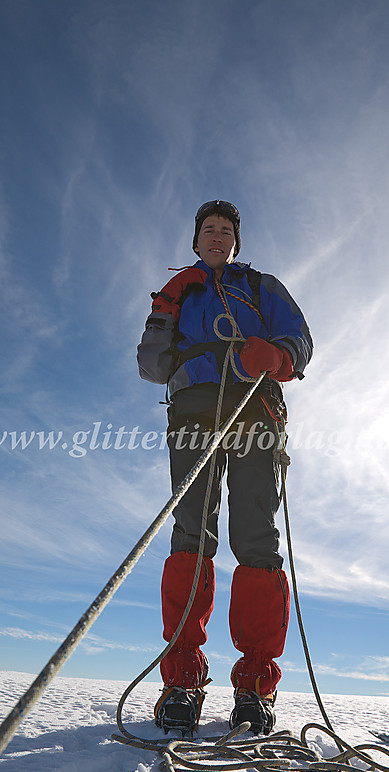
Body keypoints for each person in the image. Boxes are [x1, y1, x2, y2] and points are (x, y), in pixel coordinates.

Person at [137, 200, 313, 735]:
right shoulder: (178, 293)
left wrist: (276, 357)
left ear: (236, 242)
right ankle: (182, 681)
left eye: (226, 230)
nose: (217, 236)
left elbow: (299, 342)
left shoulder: (261, 287)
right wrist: (168, 315)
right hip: (193, 410)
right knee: (190, 533)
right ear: (196, 242)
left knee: (255, 537)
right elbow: (149, 365)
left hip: (256, 406)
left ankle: (256, 686)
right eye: (208, 230)